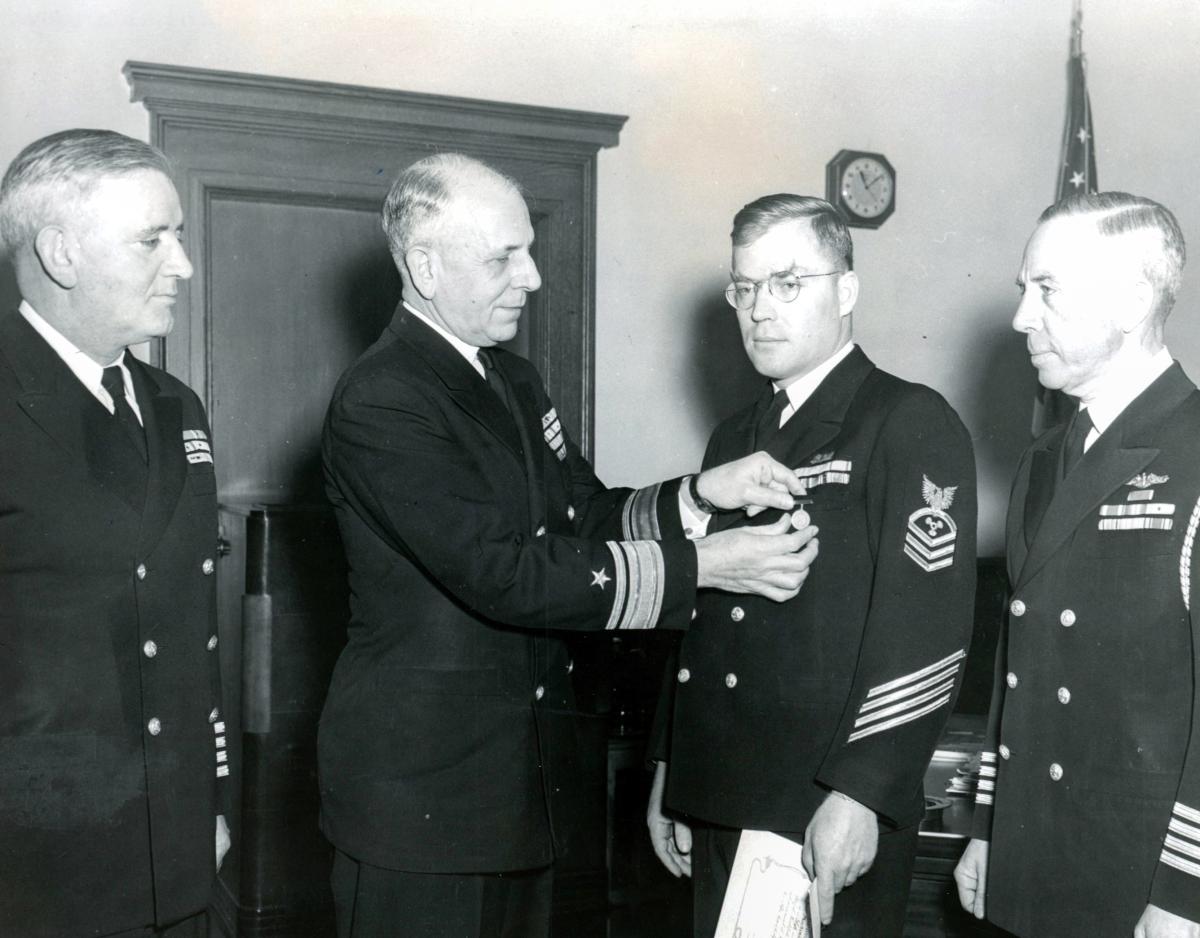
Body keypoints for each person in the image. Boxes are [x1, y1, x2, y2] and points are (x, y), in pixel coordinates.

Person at [318, 153, 820, 938]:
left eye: (528, 249)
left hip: (527, 788)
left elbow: (581, 515)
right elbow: (503, 574)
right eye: (503, 257)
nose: (533, 277)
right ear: (423, 266)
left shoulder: (511, 381)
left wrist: (698, 496)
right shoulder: (385, 397)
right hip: (425, 802)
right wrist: (706, 566)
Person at [647, 194, 978, 936]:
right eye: (746, 286)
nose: (761, 309)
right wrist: (674, 769)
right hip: (722, 792)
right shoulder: (736, 435)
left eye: (789, 283)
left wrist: (862, 794)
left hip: (822, 801)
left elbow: (927, 634)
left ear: (847, 291)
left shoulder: (905, 420)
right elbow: (704, 613)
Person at [0, 129, 230, 936]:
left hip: (172, 850)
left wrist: (209, 800)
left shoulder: (174, 406)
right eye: (151, 240)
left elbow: (189, 631)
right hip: (35, 870)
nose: (183, 265)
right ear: (61, 254)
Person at [954, 192, 1200, 938]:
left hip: (1141, 876)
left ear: (1132, 301)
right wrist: (993, 827)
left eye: (1048, 290)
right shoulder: (1045, 458)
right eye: (1024, 291)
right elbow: (1022, 662)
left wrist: (1186, 895)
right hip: (1038, 854)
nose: (1023, 317)